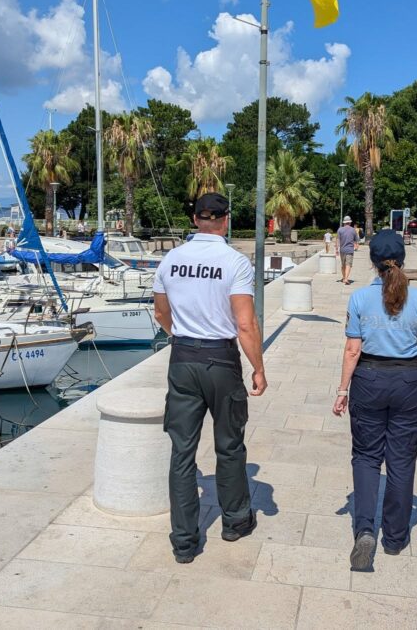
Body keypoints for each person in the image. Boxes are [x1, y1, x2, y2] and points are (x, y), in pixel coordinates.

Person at [153, 192, 267, 564]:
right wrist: (259, 368)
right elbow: (245, 322)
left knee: (182, 452)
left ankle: (184, 541)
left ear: (195, 219)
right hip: (221, 358)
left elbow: (160, 313)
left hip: (183, 358)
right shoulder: (234, 262)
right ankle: (235, 521)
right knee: (229, 444)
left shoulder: (171, 259)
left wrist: (181, 337)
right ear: (225, 219)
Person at [332, 229, 417, 571]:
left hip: (368, 380)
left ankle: (365, 529)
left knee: (367, 456)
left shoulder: (358, 299)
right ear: (402, 259)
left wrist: (342, 390)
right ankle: (395, 538)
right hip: (408, 383)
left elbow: (352, 349)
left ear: (371, 263)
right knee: (401, 459)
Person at [336, 216, 358, 285]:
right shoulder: (353, 230)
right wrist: (356, 246)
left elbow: (337, 240)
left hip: (342, 250)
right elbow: (356, 240)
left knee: (343, 265)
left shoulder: (340, 230)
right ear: (350, 222)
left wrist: (336, 249)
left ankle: (344, 277)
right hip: (350, 250)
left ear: (344, 223)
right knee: (348, 264)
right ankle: (346, 278)